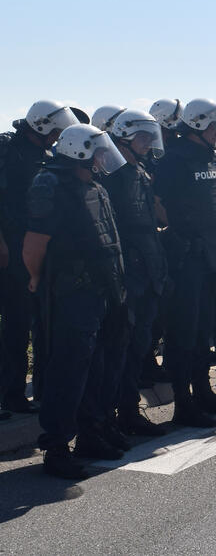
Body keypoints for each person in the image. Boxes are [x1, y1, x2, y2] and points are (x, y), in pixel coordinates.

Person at [24, 124, 127, 478]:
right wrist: (36, 277)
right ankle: (56, 448)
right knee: (67, 372)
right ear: (79, 151)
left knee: (94, 369)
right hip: (70, 293)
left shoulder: (94, 186)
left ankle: (90, 435)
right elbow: (34, 243)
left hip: (99, 291)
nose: (103, 158)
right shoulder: (51, 184)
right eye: (97, 151)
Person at [155, 99, 216, 426]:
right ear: (197, 125)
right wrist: (178, 234)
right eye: (214, 127)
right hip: (186, 257)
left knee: (202, 332)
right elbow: (157, 202)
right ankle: (183, 403)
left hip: (210, 254)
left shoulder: (206, 159)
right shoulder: (174, 160)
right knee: (183, 332)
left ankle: (203, 392)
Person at [0, 101, 78, 414]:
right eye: (57, 129)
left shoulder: (45, 156)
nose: (59, 135)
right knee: (16, 323)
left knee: (41, 322)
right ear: (42, 125)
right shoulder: (7, 152)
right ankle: (12, 393)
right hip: (10, 248)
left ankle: (42, 388)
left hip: (35, 249)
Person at [103, 111, 170, 437]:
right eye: (142, 136)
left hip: (147, 272)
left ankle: (128, 412)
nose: (147, 142)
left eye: (149, 136)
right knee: (117, 350)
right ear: (124, 136)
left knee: (137, 347)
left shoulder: (138, 172)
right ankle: (107, 418)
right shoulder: (109, 175)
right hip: (126, 274)